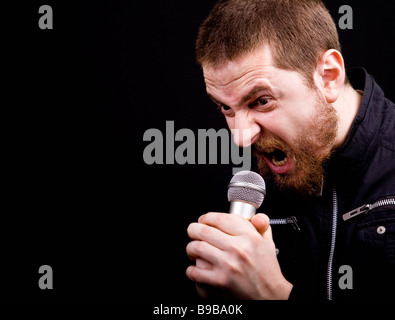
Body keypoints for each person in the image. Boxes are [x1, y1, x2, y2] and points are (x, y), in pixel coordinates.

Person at [185, 0, 395, 300]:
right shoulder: (249, 186)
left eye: (261, 101)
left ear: (329, 77)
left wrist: (274, 294)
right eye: (225, 107)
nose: (241, 138)